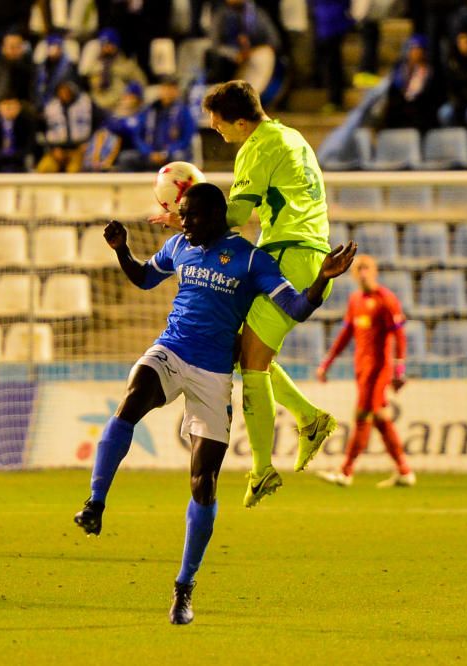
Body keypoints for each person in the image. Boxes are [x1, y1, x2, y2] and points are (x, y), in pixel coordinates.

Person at [74, 182, 357, 623]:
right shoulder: (177, 245)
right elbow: (144, 278)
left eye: (190, 215)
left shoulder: (250, 259)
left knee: (203, 482)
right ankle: (95, 502)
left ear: (214, 215)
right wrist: (121, 250)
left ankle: (184, 589)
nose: (182, 222)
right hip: (172, 350)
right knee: (131, 398)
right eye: (180, 215)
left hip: (213, 376)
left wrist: (322, 278)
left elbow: (298, 309)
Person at [190, 81, 340, 507]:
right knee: (241, 349)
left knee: (253, 364)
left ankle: (261, 469)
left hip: (291, 257)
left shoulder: (256, 146)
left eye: (219, 123)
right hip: (297, 253)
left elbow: (237, 213)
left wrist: (190, 219)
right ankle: (309, 420)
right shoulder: (291, 137)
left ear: (242, 121)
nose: (215, 129)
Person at [314, 255, 415, 488]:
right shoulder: (355, 300)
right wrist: (326, 364)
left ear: (375, 271)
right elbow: (344, 336)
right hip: (360, 369)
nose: (363, 272)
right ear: (352, 274)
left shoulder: (386, 299)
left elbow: (399, 336)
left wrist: (399, 370)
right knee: (381, 419)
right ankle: (404, 471)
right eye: (358, 268)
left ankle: (345, 471)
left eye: (367, 267)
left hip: (379, 370)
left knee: (361, 416)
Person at [206, 0, 283, 83]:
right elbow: (215, 45)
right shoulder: (220, 15)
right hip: (229, 62)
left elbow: (274, 40)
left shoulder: (258, 14)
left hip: (254, 59)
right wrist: (235, 55)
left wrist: (255, 52)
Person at [39, 80, 104, 173]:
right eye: (61, 91)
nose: (64, 94)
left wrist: (91, 143)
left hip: (79, 148)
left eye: (67, 91)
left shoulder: (86, 104)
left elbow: (100, 123)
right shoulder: (51, 107)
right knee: (44, 168)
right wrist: (53, 148)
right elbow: (43, 129)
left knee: (74, 171)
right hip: (57, 149)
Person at [380, 34, 440, 131]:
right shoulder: (400, 68)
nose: (415, 53)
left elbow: (430, 95)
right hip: (401, 108)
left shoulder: (430, 71)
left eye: (419, 50)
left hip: (420, 109)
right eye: (413, 49)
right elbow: (394, 90)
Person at [86, 28, 148, 112]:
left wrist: (131, 94)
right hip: (98, 105)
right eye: (104, 45)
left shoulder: (126, 64)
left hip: (120, 105)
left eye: (109, 44)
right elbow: (92, 85)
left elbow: (141, 82)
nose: (106, 48)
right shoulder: (95, 64)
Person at [311, 0, 353, 112]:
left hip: (331, 22)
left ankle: (335, 99)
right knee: (332, 61)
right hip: (327, 21)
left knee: (332, 62)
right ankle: (334, 97)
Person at [0, 94, 36, 173]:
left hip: (19, 157)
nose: (9, 109)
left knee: (29, 159)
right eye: (6, 105)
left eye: (12, 105)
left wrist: (14, 154)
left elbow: (29, 144)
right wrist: (1, 154)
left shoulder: (27, 122)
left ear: (19, 108)